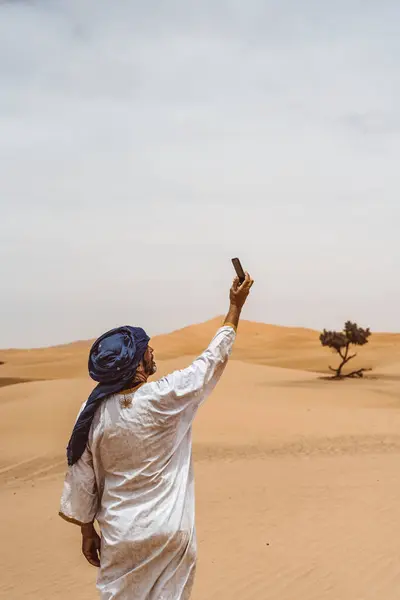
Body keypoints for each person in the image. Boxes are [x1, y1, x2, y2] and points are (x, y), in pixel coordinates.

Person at [59, 272, 254, 599]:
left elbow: (82, 476)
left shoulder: (90, 414)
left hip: (121, 536)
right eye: (146, 349)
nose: (152, 352)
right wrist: (235, 307)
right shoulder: (166, 397)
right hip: (168, 532)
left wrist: (85, 530)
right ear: (135, 363)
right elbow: (211, 362)